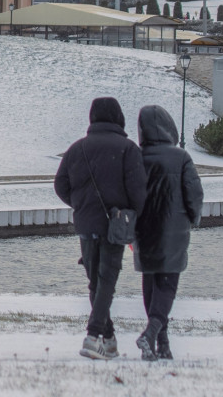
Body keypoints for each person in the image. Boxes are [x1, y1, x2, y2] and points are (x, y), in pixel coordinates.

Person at [54, 97, 147, 360]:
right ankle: (93, 336)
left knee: (96, 282)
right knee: (106, 282)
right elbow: (139, 191)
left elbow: (60, 184)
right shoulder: (128, 149)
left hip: (86, 225)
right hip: (115, 225)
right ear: (119, 117)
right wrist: (132, 214)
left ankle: (109, 339)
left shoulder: (77, 149)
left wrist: (80, 204)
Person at [133, 105, 204, 361]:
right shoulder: (181, 157)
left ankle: (161, 343)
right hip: (174, 230)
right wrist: (194, 217)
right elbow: (194, 194)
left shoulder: (136, 157)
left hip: (143, 231)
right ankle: (152, 335)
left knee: (150, 284)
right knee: (167, 286)